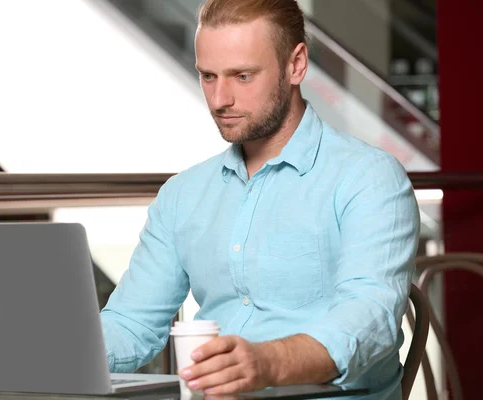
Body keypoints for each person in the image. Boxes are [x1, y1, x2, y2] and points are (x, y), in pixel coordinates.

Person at [99, 0, 420, 398]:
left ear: (296, 65)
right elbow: (131, 324)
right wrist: (48, 353)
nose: (219, 99)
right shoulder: (183, 195)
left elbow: (369, 320)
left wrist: (269, 363)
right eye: (208, 76)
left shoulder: (368, 178)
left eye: (243, 76)